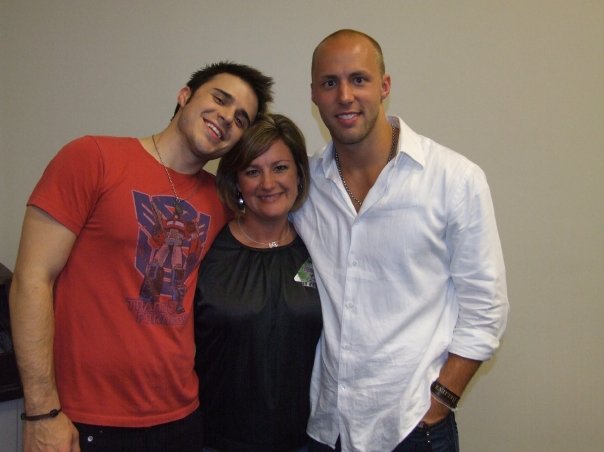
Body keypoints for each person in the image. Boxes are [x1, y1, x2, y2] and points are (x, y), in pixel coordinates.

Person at [9, 61, 273, 452]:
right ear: (184, 96)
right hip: (84, 419)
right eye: (220, 99)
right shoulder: (92, 157)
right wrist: (41, 412)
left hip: (181, 418)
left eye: (240, 119)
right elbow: (32, 279)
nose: (226, 118)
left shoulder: (222, 203)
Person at [292, 29, 510, 452]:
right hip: (326, 428)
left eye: (359, 79)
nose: (345, 96)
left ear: (384, 86)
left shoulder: (454, 179)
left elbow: (486, 307)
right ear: (314, 94)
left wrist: (440, 402)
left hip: (413, 428)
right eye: (330, 83)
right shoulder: (305, 186)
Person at [195, 113, 322, 451]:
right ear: (236, 180)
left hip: (306, 442)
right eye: (253, 171)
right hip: (217, 442)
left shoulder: (320, 249)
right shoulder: (207, 248)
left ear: (298, 174)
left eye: (280, 168)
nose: (268, 183)